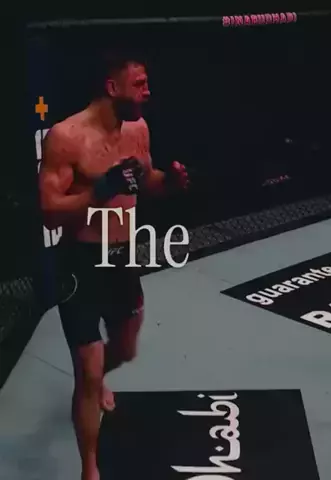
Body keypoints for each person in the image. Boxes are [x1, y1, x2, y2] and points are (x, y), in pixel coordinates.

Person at [38, 49, 189, 480]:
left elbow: (145, 181)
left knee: (124, 350)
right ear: (112, 87)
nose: (148, 92)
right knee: (87, 371)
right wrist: (96, 193)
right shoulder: (67, 136)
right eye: (139, 84)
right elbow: (49, 211)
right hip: (80, 261)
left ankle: (95, 380)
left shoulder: (137, 129)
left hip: (121, 257)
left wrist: (169, 182)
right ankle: (90, 469)